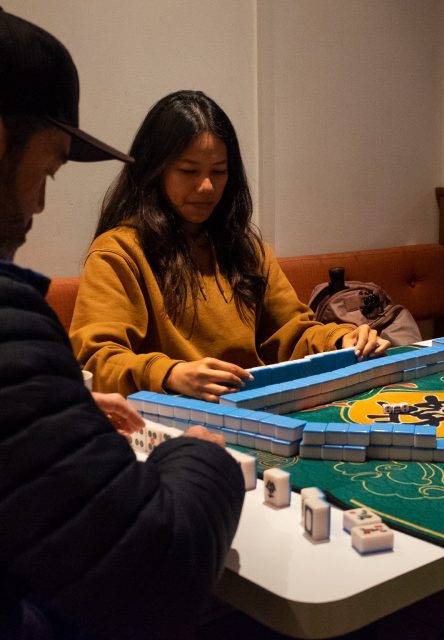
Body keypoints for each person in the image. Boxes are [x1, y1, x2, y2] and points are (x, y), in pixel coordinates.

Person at [0, 9, 244, 638]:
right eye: (49, 169)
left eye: (218, 172)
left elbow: (294, 325)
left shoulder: (242, 244)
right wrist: (200, 453)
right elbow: (155, 572)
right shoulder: (117, 250)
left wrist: (68, 404)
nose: (40, 203)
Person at [70, 90, 389, 402]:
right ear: (155, 170)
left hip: (253, 408)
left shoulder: (247, 249)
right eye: (188, 171)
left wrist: (341, 339)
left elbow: (292, 332)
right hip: (172, 421)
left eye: (219, 172)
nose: (206, 186)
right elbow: (96, 362)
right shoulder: (119, 253)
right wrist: (172, 374)